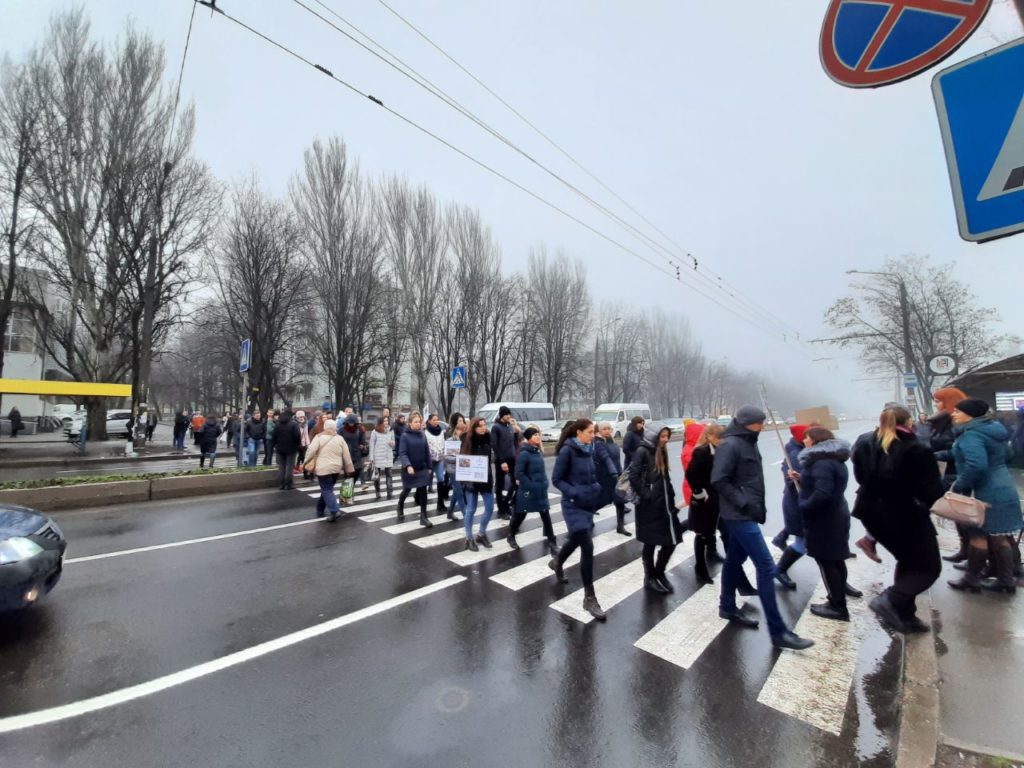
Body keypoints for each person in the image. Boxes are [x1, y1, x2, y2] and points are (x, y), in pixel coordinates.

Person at [712, 405, 814, 651]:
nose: (764, 425)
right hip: (739, 515)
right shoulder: (731, 445)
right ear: (749, 423)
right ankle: (778, 631)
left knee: (734, 561)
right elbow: (718, 479)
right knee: (766, 567)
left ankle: (726, 606)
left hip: (748, 512)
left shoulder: (748, 441)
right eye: (761, 422)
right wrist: (743, 502)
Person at [853, 406, 945, 632]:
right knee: (928, 568)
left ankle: (905, 614)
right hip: (905, 514)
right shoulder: (917, 448)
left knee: (909, 561)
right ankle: (891, 600)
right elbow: (932, 490)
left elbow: (860, 476)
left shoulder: (865, 442)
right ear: (909, 420)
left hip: (872, 513)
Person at [945, 398, 1023, 595]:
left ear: (969, 414)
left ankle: (971, 579)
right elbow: (1008, 455)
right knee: (1000, 535)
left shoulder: (971, 435)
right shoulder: (994, 430)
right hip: (1003, 485)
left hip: (983, 490)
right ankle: (1006, 581)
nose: (953, 414)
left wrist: (959, 485)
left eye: (957, 411)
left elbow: (976, 465)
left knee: (978, 535)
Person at [788, 427, 860, 621]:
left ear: (816, 441)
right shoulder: (832, 459)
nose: (804, 441)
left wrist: (804, 505)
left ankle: (837, 606)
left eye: (807, 438)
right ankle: (836, 598)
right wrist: (802, 478)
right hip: (835, 516)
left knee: (828, 562)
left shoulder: (821, 463)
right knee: (836, 559)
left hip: (825, 519)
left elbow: (823, 493)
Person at [549, 418, 607, 621]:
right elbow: (556, 479)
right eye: (590, 432)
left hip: (587, 504)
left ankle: (557, 561)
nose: (594, 435)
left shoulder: (588, 449)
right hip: (573, 505)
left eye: (594, 432)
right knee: (587, 546)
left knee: (576, 538)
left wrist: (596, 487)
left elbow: (591, 475)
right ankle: (589, 597)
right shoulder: (568, 451)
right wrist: (573, 492)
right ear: (578, 433)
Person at [630, 422, 685, 594]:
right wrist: (648, 495)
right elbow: (634, 476)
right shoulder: (642, 451)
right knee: (650, 542)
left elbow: (663, 477)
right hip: (650, 506)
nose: (666, 439)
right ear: (653, 436)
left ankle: (659, 571)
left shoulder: (660, 450)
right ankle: (650, 577)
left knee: (673, 539)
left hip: (665, 504)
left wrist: (670, 495)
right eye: (662, 436)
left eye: (667, 436)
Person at [929, 387, 969, 562]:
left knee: (965, 517)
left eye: (938, 401)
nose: (935, 405)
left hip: (956, 472)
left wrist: (934, 455)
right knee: (959, 516)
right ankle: (966, 550)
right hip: (948, 471)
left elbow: (958, 450)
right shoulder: (944, 421)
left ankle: (972, 555)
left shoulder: (958, 423)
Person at [685, 422, 725, 585]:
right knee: (701, 533)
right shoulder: (701, 452)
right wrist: (699, 492)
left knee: (710, 531)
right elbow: (691, 474)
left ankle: (712, 554)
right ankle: (700, 567)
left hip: (716, 498)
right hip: (704, 499)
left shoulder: (720, 451)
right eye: (718, 438)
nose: (720, 441)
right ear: (709, 436)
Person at [772, 424, 810, 589]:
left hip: (802, 503)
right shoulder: (796, 454)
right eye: (808, 435)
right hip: (799, 503)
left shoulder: (802, 451)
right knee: (803, 543)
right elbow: (798, 483)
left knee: (809, 542)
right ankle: (779, 570)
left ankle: (839, 584)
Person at [509, 426, 557, 554]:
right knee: (520, 515)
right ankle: (511, 535)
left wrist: (545, 482)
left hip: (540, 490)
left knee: (546, 516)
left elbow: (541, 471)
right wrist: (530, 485)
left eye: (538, 434)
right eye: (535, 435)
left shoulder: (538, 451)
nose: (538, 436)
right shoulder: (524, 453)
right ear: (528, 438)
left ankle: (553, 542)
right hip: (528, 491)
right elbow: (520, 473)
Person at [303, 419, 355, 522]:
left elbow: (311, 451)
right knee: (327, 489)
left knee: (327, 489)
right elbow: (346, 455)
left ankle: (335, 511)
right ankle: (320, 509)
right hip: (336, 468)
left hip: (323, 468)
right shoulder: (340, 439)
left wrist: (305, 462)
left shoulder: (318, 437)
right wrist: (349, 468)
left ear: (325, 428)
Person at [461, 417, 496, 550]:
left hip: (485, 477)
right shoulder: (467, 440)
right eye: (479, 426)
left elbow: (492, 456)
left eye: (484, 425)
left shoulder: (488, 437)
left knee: (490, 507)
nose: (483, 428)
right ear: (474, 427)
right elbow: (462, 460)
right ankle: (469, 538)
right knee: (471, 509)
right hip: (471, 480)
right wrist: (465, 478)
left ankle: (481, 533)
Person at [595, 421, 631, 536]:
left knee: (619, 501)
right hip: (605, 477)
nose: (607, 431)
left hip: (616, 476)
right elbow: (606, 458)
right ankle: (586, 516)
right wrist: (613, 472)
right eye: (604, 429)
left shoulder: (612, 441)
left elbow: (616, 460)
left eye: (608, 428)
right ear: (599, 431)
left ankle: (620, 527)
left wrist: (620, 472)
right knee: (602, 501)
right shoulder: (598, 443)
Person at [398, 412, 433, 528]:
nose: (418, 424)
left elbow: (427, 452)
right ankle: (400, 504)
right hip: (410, 469)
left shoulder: (423, 434)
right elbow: (403, 453)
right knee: (406, 491)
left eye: (419, 422)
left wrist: (429, 467)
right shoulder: (405, 436)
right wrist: (408, 465)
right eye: (416, 422)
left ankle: (424, 517)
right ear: (410, 423)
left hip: (421, 468)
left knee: (423, 491)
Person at [491, 406, 520, 520]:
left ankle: (506, 503)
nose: (509, 416)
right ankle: (501, 510)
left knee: (515, 483)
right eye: (507, 414)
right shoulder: (496, 427)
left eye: (510, 414)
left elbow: (514, 441)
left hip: (512, 458)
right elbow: (494, 444)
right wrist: (501, 460)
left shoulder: (509, 426)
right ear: (502, 415)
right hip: (501, 460)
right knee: (500, 485)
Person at [444, 414, 468, 523]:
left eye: (463, 420)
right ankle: (466, 515)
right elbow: (447, 457)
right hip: (453, 470)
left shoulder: (466, 437)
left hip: (464, 468)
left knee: (458, 491)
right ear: (455, 423)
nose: (462, 422)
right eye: (459, 421)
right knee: (460, 492)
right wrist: (459, 458)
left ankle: (449, 512)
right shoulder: (451, 439)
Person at [271, 409, 302, 491]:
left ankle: (281, 484)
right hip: (291, 448)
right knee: (289, 466)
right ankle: (288, 484)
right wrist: (298, 445)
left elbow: (273, 436)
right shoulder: (294, 424)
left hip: (280, 448)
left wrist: (275, 445)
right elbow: (297, 436)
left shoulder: (278, 424)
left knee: (281, 466)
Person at [339, 414, 368, 500]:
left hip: (357, 455)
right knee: (348, 476)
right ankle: (346, 496)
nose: (351, 424)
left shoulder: (359, 430)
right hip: (346, 455)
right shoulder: (342, 430)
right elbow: (338, 441)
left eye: (353, 422)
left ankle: (349, 491)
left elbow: (363, 440)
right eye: (349, 422)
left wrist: (362, 445)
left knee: (357, 473)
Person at [425, 413, 449, 513]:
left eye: (437, 419)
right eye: (434, 420)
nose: (436, 421)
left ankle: (440, 503)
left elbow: (443, 444)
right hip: (429, 460)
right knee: (425, 481)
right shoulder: (425, 432)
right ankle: (418, 496)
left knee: (440, 479)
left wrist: (444, 454)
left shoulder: (441, 432)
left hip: (439, 459)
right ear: (429, 421)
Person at [369, 416, 395, 501]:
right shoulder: (375, 431)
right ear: (381, 422)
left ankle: (390, 492)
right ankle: (377, 492)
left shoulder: (391, 431)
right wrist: (371, 458)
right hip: (378, 456)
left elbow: (393, 443)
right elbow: (371, 445)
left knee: (389, 475)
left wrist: (392, 443)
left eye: (387, 421)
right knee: (377, 476)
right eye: (384, 421)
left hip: (388, 455)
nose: (386, 422)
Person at [295, 410, 311, 478]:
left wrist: (308, 444)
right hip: (296, 444)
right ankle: (297, 467)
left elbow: (306, 434)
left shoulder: (305, 424)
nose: (301, 418)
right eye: (300, 417)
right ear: (297, 417)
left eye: (303, 416)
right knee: (299, 457)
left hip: (303, 444)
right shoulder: (294, 424)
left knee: (304, 458)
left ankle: (305, 473)